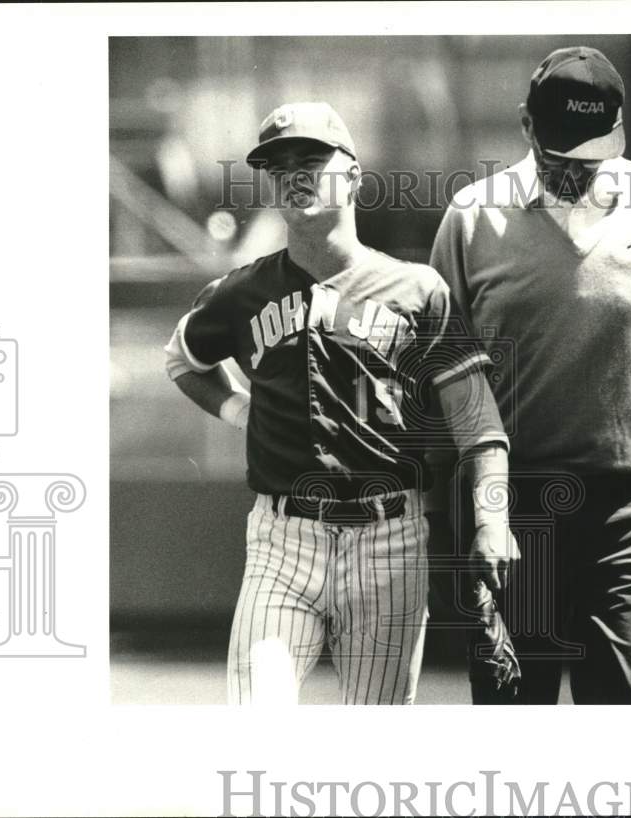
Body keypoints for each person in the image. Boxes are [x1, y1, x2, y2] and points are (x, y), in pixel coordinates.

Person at [164, 101, 518, 705]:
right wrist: (238, 410)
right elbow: (182, 360)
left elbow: (479, 424)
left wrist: (492, 518)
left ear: (352, 175)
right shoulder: (240, 292)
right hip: (282, 543)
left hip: (389, 542)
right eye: (278, 166)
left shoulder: (418, 291)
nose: (293, 175)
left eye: (310, 160)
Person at [428, 47, 631, 704]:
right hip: (511, 511)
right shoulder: (471, 217)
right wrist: (438, 514)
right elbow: (438, 377)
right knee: (514, 718)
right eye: (560, 155)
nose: (576, 171)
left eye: (592, 154)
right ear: (526, 125)